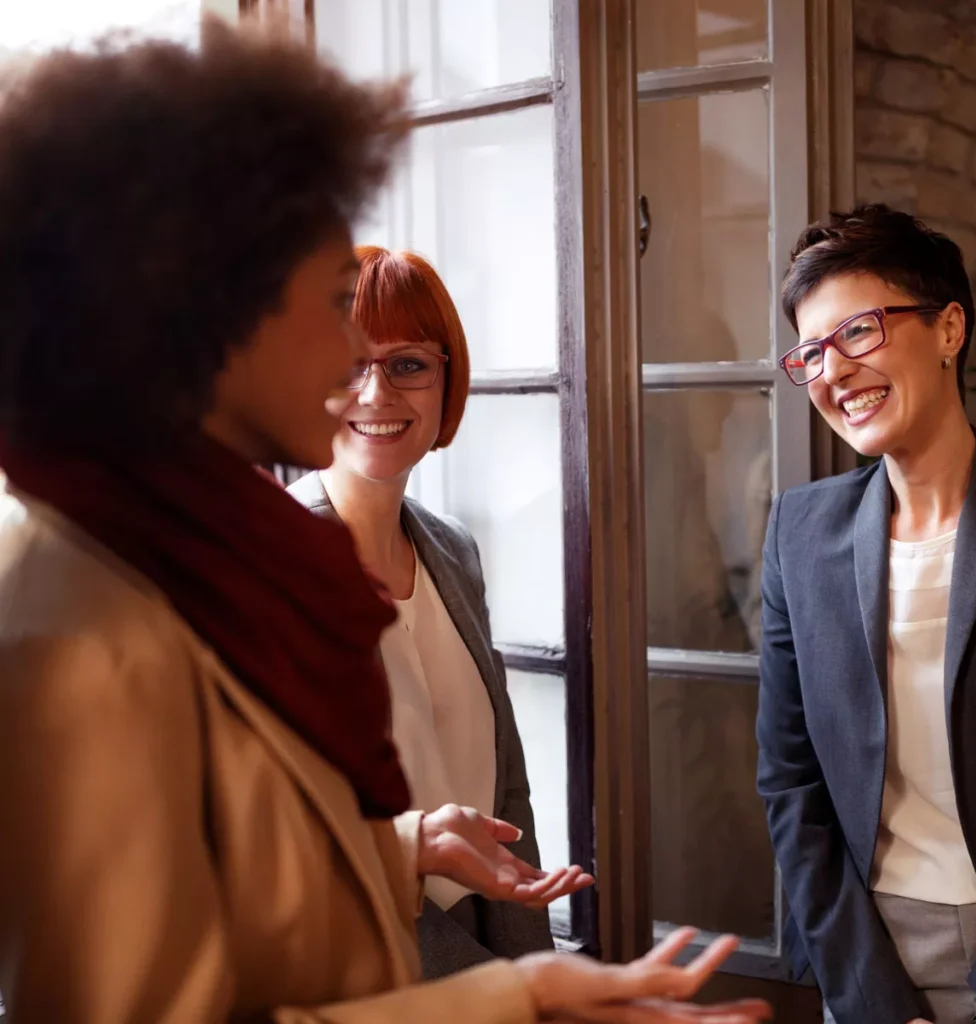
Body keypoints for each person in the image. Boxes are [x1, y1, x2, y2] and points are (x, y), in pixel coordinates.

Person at [0, 18, 773, 1024]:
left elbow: (231, 868)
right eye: (331, 306)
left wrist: (405, 847)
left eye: (406, 357)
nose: (352, 367)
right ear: (201, 305)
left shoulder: (197, 550)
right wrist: (519, 995)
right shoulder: (83, 620)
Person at [756, 204, 976, 1024]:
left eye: (859, 332)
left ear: (949, 329)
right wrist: (872, 999)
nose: (831, 372)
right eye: (809, 353)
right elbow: (791, 781)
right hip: (870, 953)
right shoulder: (799, 532)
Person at [288, 246, 553, 977]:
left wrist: (532, 973)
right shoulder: (272, 567)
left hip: (487, 942)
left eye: (407, 364)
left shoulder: (453, 551)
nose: (376, 393)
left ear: (445, 382)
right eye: (347, 367)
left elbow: (508, 790)